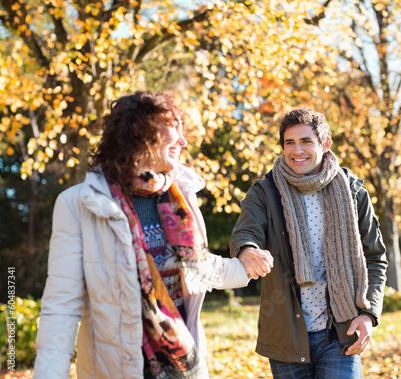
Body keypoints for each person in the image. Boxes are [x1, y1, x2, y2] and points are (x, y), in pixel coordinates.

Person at [33, 91, 270, 379]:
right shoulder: (78, 204)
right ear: (140, 131)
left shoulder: (180, 196)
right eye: (174, 129)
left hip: (183, 364)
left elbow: (200, 267)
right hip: (117, 368)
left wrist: (244, 266)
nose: (183, 142)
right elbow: (61, 307)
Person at [230, 106, 388, 378]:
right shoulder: (265, 191)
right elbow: (245, 233)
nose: (297, 150)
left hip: (340, 332)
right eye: (289, 142)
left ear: (325, 144)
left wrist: (368, 313)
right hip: (287, 335)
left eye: (306, 141)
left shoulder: (352, 190)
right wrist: (248, 250)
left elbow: (375, 257)